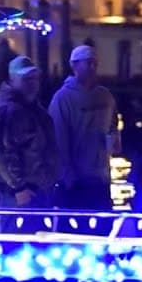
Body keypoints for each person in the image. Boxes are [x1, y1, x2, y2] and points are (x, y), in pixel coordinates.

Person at [49, 44, 117, 210]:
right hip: (76, 180)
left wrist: (114, 143)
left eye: (95, 63)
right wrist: (69, 176)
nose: (93, 67)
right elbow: (58, 140)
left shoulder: (106, 96)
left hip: (101, 177)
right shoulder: (62, 99)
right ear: (74, 66)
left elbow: (113, 127)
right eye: (88, 63)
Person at [0, 55, 59, 209]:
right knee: (19, 231)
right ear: (13, 80)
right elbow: (1, 153)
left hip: (39, 188)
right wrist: (18, 188)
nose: (33, 83)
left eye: (34, 78)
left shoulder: (33, 108)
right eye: (26, 79)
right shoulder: (9, 111)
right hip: (22, 193)